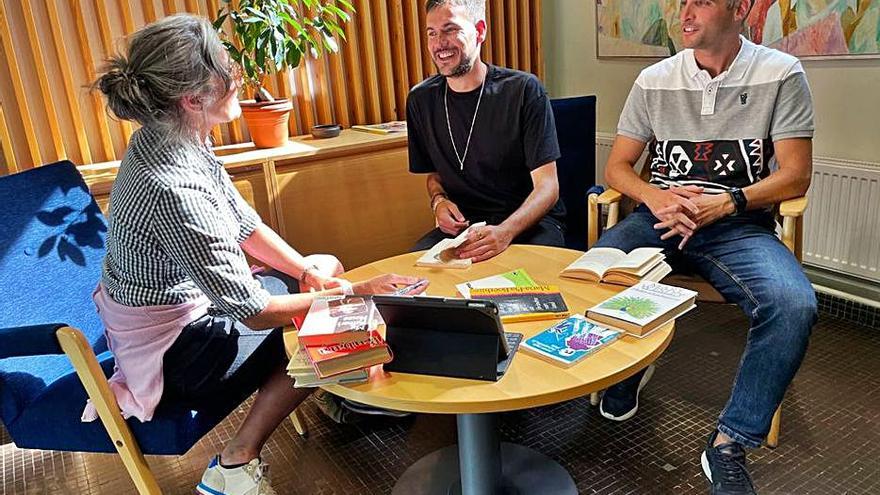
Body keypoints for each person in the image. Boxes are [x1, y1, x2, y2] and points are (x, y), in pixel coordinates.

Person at [92, 15, 425, 495]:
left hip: (190, 312)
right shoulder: (170, 185)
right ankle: (233, 463)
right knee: (328, 321)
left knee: (324, 268)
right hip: (176, 354)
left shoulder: (173, 136)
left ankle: (335, 386)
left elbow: (245, 223)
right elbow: (252, 312)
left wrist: (310, 272)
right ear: (193, 98)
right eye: (228, 70)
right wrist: (354, 293)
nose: (239, 78)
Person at [595, 1, 816, 494]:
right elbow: (618, 168)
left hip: (736, 226)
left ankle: (729, 442)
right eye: (683, 3)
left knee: (793, 304)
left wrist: (728, 203)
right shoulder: (653, 80)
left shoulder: (781, 73)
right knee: (594, 271)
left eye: (702, 1)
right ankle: (628, 366)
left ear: (740, 9)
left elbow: (796, 174)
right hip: (660, 218)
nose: (686, 12)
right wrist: (659, 197)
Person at [407, 0, 566, 262]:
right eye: (431, 33)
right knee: (414, 283)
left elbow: (548, 187)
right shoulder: (420, 100)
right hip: (466, 230)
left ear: (479, 31)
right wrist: (439, 202)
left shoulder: (524, 90)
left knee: (520, 290)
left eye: (450, 30)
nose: (439, 43)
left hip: (530, 225)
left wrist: (505, 232)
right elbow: (434, 176)